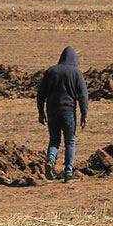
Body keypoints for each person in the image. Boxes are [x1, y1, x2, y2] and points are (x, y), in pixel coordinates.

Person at [36, 46, 89, 181]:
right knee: (70, 141)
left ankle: (50, 161)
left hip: (51, 110)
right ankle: (68, 173)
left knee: (54, 140)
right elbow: (83, 95)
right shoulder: (76, 73)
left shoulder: (51, 71)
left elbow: (40, 94)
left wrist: (41, 112)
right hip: (68, 111)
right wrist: (84, 114)